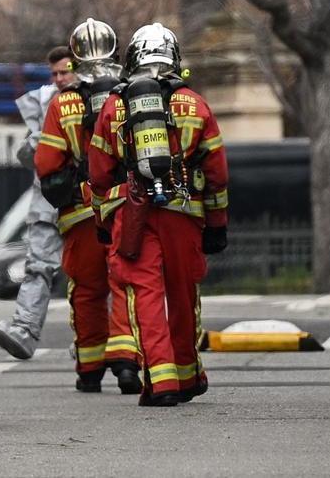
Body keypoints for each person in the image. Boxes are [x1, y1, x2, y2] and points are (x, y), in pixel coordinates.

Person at [88, 23, 229, 407]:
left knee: (145, 295)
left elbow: (98, 172)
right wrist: (217, 226)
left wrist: (104, 222)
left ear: (132, 59)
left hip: (132, 214)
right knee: (182, 293)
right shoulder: (196, 105)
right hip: (183, 213)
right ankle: (187, 375)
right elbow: (216, 173)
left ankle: (162, 381)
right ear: (174, 57)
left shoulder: (114, 106)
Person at [33, 19, 140, 394]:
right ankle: (127, 362)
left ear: (74, 59)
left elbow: (47, 167)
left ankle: (90, 367)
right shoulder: (131, 95)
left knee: (87, 289)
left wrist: (74, 190)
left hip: (81, 213)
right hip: (127, 208)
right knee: (126, 283)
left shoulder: (63, 105)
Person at [0, 46, 76, 359]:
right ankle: (25, 329)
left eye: (65, 71)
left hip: (83, 200)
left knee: (90, 273)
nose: (59, 78)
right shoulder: (44, 102)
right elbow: (29, 155)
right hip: (49, 199)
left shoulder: (91, 99)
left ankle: (92, 341)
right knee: (37, 266)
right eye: (54, 73)